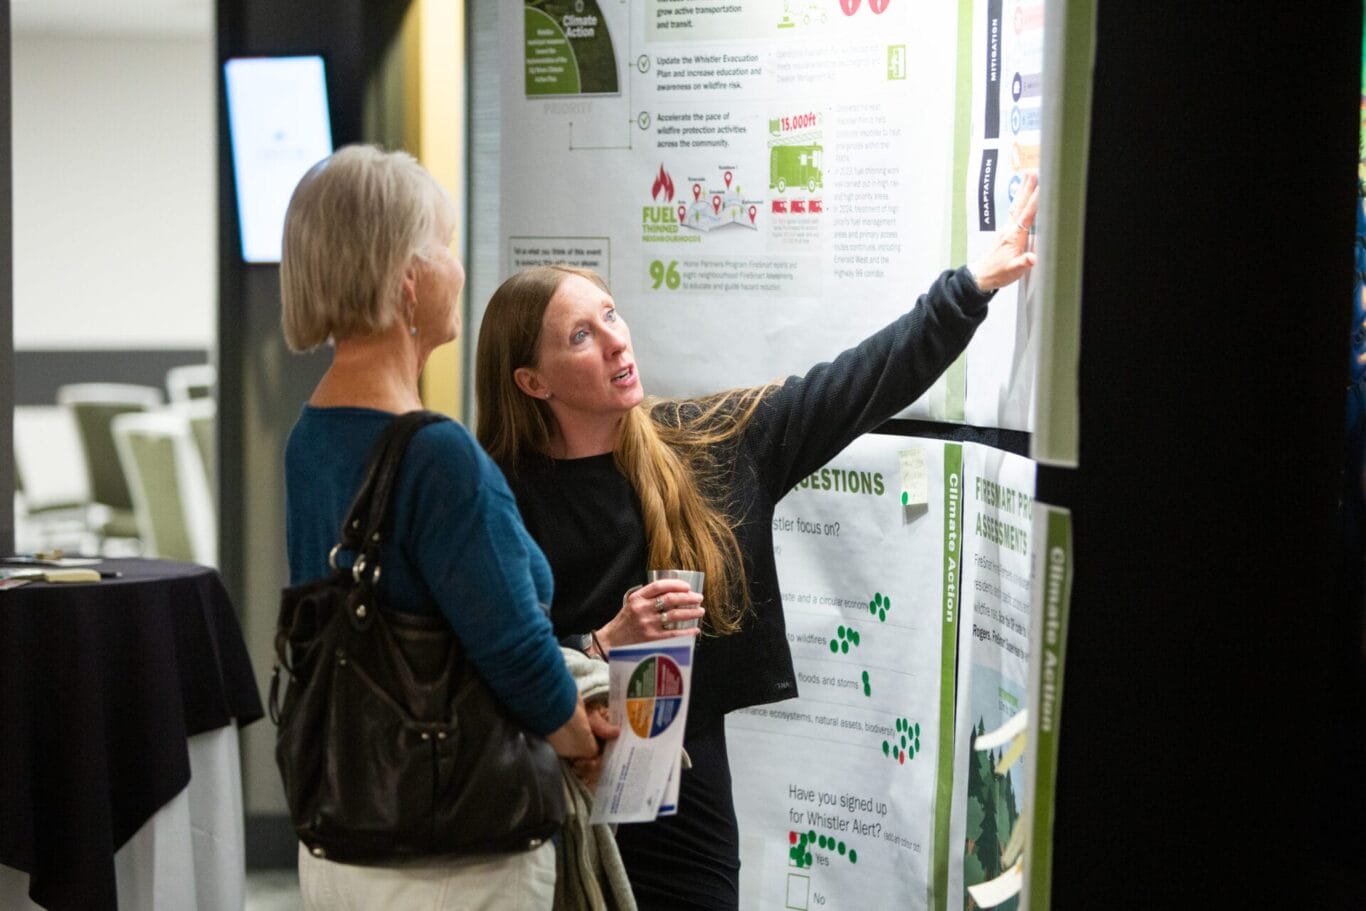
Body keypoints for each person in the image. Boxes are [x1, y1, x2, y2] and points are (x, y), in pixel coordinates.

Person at [474, 173, 1041, 909]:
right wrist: (600, 643)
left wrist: (972, 286)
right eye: (582, 335)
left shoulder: (707, 446)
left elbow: (858, 382)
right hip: (552, 798)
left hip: (682, 792)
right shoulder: (490, 498)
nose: (616, 339)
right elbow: (477, 670)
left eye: (611, 314)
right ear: (532, 381)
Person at [279, 144, 606, 910]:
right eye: (446, 246)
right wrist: (581, 740)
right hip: (452, 857)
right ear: (408, 278)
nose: (459, 269)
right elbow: (516, 650)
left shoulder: (309, 436)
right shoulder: (438, 456)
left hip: (345, 834)